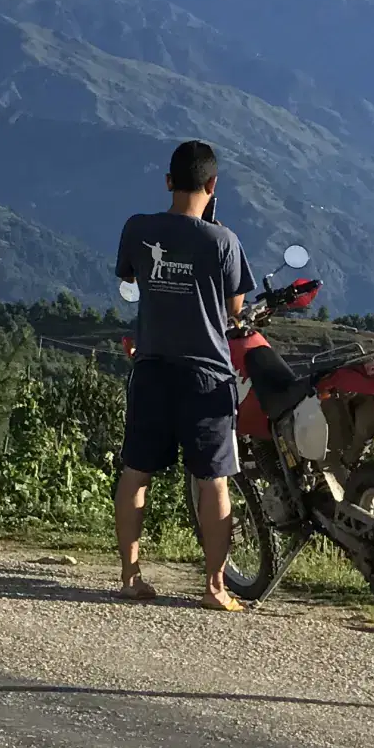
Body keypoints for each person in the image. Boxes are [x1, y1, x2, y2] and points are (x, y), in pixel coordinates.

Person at [114, 138, 255, 610]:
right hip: (207, 378)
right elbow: (235, 309)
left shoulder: (137, 228)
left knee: (136, 473)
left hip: (152, 370)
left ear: (169, 181)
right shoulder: (223, 241)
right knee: (214, 480)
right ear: (213, 186)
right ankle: (215, 586)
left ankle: (130, 576)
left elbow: (131, 278)